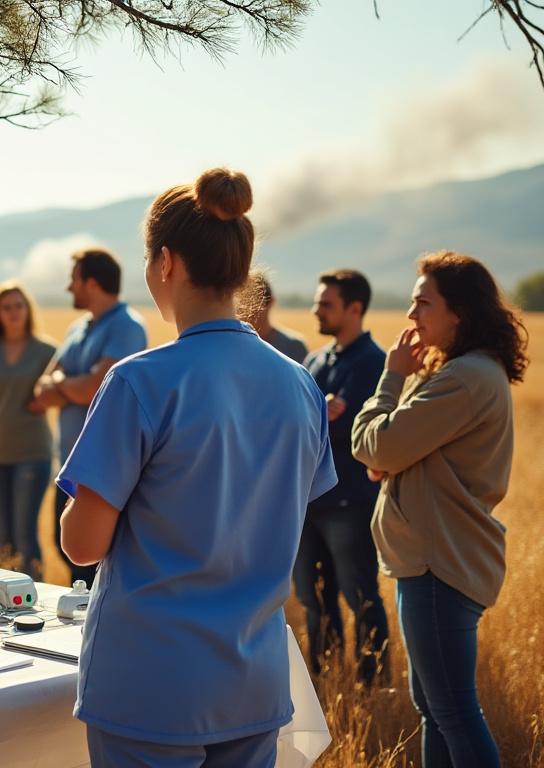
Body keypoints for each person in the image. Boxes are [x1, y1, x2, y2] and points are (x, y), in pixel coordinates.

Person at [58, 168, 335, 766]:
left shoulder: (138, 381)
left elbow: (81, 544)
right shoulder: (300, 386)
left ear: (166, 263)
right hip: (255, 684)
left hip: (150, 687)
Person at [353, 251, 528, 768]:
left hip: (438, 565)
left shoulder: (463, 379)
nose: (411, 317)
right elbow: (393, 453)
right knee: (435, 709)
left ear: (461, 313)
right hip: (437, 561)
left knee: (451, 709)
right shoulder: (467, 373)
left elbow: (374, 446)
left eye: (422, 304)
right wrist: (396, 457)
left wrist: (391, 379)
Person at [292, 268, 390, 686]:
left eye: (326, 304)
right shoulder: (315, 359)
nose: (317, 310)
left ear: (355, 308)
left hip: (351, 504)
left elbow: (351, 429)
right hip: (308, 504)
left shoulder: (375, 363)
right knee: (314, 600)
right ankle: (325, 683)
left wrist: (316, 416)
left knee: (360, 597)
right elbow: (308, 421)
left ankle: (374, 687)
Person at [30, 248, 146, 586]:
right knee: (66, 551)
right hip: (67, 465)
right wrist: (75, 384)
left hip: (104, 472)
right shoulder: (76, 328)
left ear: (91, 283)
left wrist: (66, 383)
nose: (69, 288)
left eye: (74, 280)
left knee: (98, 565)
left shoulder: (128, 328)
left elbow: (94, 389)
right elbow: (41, 389)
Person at [0, 281, 56, 579]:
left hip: (33, 453)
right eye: (7, 307)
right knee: (3, 540)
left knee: (25, 536)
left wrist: (42, 401)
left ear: (28, 309)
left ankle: (37, 603)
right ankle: (5, 606)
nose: (13, 312)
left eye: (19, 305)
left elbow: (60, 390)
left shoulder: (47, 350)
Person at [243, 273, 309, 363]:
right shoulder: (234, 345)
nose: (248, 312)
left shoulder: (294, 347)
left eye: (254, 305)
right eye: (244, 305)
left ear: (271, 302)